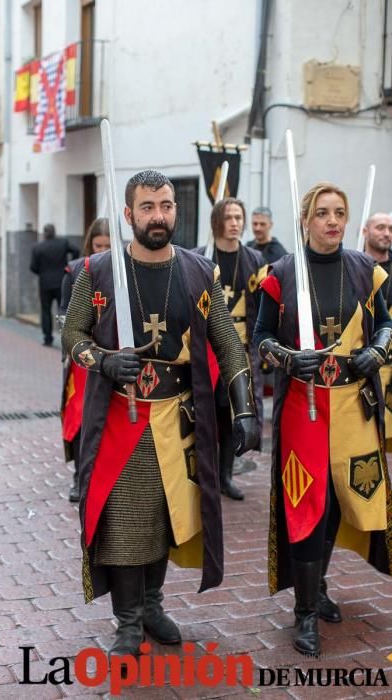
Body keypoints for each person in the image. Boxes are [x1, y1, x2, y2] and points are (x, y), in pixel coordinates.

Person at [62, 170, 259, 662]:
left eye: (166, 206)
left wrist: (245, 407)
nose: (158, 215)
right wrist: (103, 360)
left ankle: (153, 606)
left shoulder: (199, 271)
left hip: (178, 416)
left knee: (166, 519)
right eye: (147, 207)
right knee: (125, 521)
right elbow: (73, 334)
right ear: (129, 214)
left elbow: (227, 341)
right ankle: (128, 623)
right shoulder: (98, 270)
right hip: (120, 417)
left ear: (176, 210)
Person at [254, 182, 392, 657]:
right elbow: (262, 337)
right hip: (303, 409)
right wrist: (289, 359)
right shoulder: (280, 274)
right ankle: (305, 613)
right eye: (322, 213)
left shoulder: (368, 272)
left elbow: (389, 321)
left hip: (353, 406)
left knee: (338, 499)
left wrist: (377, 348)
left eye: (339, 212)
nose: (332, 221)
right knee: (306, 503)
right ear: (306, 220)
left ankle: (321, 588)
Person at [196, 198, 266, 499]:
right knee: (202, 416)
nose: (236, 223)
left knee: (229, 417)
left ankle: (225, 475)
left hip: (239, 353)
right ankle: (203, 477)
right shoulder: (200, 258)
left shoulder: (254, 261)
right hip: (206, 353)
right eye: (229, 217)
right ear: (217, 222)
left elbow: (264, 306)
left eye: (240, 216)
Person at [59, 218, 110, 502]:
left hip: (111, 356)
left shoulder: (123, 270)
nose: (101, 250)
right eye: (97, 245)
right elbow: (65, 315)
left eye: (107, 246)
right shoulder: (76, 270)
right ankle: (80, 476)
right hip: (83, 358)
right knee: (79, 417)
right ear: (90, 243)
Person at [363, 212, 392, 450]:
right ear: (365, 231)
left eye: (390, 229)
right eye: (380, 227)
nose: (386, 233)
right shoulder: (355, 267)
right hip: (368, 365)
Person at [30, 223, 80, 346]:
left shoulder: (38, 247)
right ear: (54, 232)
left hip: (45, 283)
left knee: (46, 310)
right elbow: (76, 251)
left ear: (44, 233)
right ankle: (65, 337)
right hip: (61, 281)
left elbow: (33, 267)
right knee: (63, 309)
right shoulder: (63, 243)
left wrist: (42, 272)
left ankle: (48, 338)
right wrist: (70, 265)